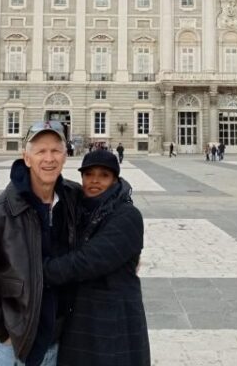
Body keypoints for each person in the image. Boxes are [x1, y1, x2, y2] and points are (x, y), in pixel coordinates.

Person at [0, 120, 82, 366]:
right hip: (12, 348)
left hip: (60, 343)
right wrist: (3, 331)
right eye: (41, 151)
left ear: (65, 157)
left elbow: (109, 203)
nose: (49, 158)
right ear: (26, 158)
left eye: (56, 150)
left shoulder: (74, 200)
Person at [43, 149, 150, 365]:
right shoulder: (80, 210)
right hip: (81, 319)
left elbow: (87, 261)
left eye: (103, 175)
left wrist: (40, 272)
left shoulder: (127, 215)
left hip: (113, 321)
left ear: (115, 180)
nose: (94, 181)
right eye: (89, 174)